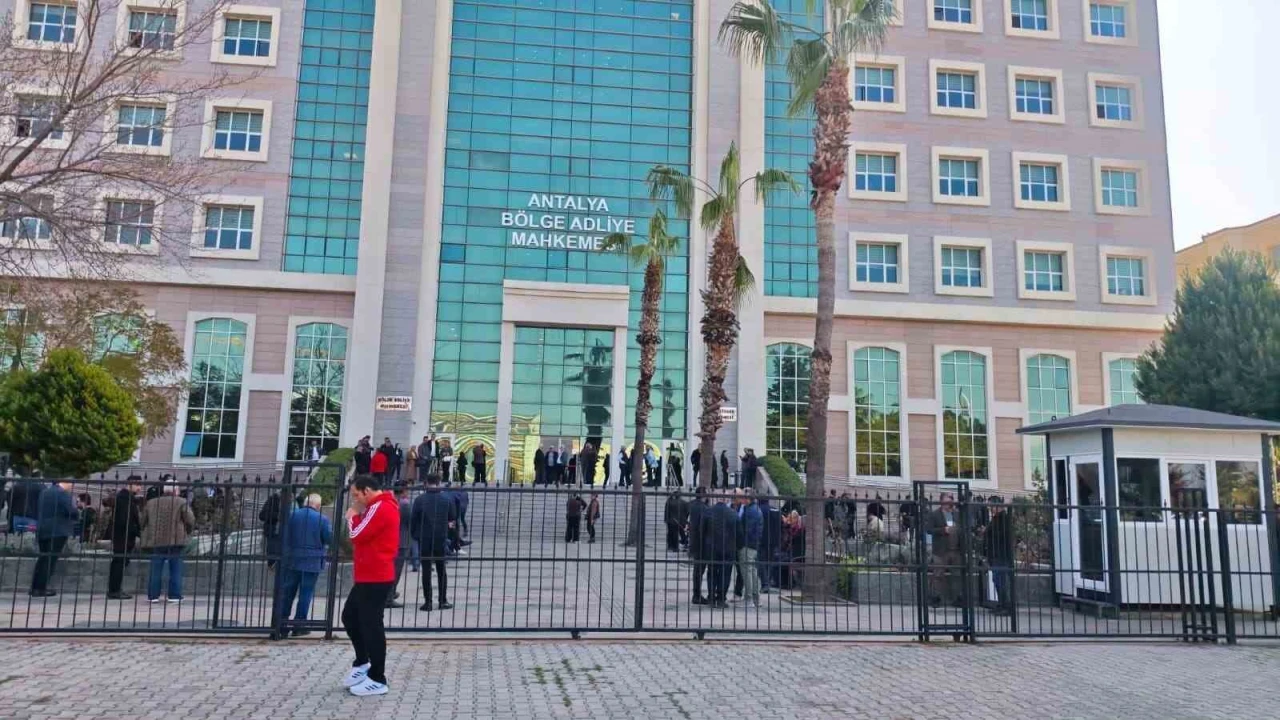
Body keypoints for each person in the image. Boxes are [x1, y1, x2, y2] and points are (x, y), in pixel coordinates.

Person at [342, 475, 400, 697]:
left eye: (356, 495)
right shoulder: (377, 507)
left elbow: (356, 534)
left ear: (366, 491)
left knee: (372, 626)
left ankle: (377, 677)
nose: (355, 500)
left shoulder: (380, 507)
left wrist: (352, 516)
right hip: (369, 575)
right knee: (350, 617)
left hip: (376, 576)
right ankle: (363, 662)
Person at [277, 493, 333, 636]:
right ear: (318, 505)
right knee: (305, 594)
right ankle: (299, 626)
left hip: (293, 559)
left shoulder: (292, 515)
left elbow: (284, 534)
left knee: (288, 593)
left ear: (306, 503)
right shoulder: (322, 519)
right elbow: (328, 538)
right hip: (312, 561)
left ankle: (281, 625)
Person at [140, 485, 195, 603]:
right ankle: (174, 595)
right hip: (176, 540)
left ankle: (153, 595)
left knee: (156, 568)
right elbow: (190, 520)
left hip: (157, 540)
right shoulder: (181, 502)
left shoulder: (151, 502)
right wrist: (188, 531)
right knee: (175, 568)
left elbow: (143, 521)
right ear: (175, 491)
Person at [410, 474, 456, 612]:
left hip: (425, 538)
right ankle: (442, 600)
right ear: (439, 482)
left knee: (426, 570)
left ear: (426, 483)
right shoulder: (446, 499)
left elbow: (414, 520)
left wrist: (415, 535)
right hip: (441, 538)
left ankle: (428, 602)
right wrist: (452, 537)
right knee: (441, 569)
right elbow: (452, 520)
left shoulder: (419, 500)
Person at [30, 481, 75, 597]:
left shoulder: (45, 492)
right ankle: (40, 588)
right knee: (50, 560)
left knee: (43, 558)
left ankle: (35, 587)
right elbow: (71, 511)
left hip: (43, 528)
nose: (71, 485)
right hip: (58, 530)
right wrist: (76, 514)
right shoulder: (62, 493)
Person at [107, 479, 143, 599]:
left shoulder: (128, 498)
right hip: (123, 536)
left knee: (120, 562)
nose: (139, 488)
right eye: (137, 485)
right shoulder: (124, 498)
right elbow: (125, 520)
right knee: (119, 562)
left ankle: (115, 589)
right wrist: (137, 532)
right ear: (129, 485)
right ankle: (114, 590)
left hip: (126, 536)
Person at [704, 490, 740, 609]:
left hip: (711, 548)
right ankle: (721, 598)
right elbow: (738, 533)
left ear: (716, 499)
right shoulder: (733, 514)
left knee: (712, 572)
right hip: (728, 548)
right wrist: (738, 546)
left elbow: (702, 530)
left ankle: (711, 597)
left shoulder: (708, 511)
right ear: (726, 500)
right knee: (725, 574)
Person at [927, 493, 963, 608]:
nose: (949, 504)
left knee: (957, 575)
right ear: (941, 501)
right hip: (941, 550)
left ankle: (957, 598)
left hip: (956, 549)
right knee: (938, 575)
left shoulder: (956, 514)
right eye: (947, 501)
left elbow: (962, 528)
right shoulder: (934, 514)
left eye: (950, 501)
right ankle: (936, 598)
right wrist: (943, 530)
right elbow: (929, 530)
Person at [983, 496, 1015, 616]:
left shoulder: (1003, 518)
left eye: (991, 506)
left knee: (1000, 580)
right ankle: (1001, 604)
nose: (990, 509)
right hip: (995, 554)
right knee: (997, 580)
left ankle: (1006, 606)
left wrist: (987, 532)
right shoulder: (996, 518)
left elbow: (1001, 535)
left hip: (1001, 554)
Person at [737, 489, 763, 608]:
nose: (741, 499)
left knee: (747, 571)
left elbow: (746, 529)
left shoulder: (750, 511)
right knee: (752, 571)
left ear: (748, 499)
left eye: (743, 497)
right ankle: (755, 598)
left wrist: (741, 542)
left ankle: (749, 598)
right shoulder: (755, 509)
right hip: (753, 544)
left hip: (747, 544)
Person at [687, 486, 709, 604]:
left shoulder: (691, 505)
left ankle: (696, 594)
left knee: (697, 570)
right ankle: (697, 595)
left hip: (693, 541)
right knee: (700, 570)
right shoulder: (704, 508)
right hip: (702, 543)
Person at [759, 497, 782, 593]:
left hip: (762, 540)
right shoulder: (776, 510)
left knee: (761, 561)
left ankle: (765, 583)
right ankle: (768, 580)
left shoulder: (759, 510)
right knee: (770, 561)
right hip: (774, 540)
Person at [260, 488, 285, 569]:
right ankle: (272, 564)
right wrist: (278, 516)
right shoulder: (272, 500)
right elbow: (262, 515)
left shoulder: (292, 502)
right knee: (272, 549)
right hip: (273, 530)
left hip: (284, 531)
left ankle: (279, 565)